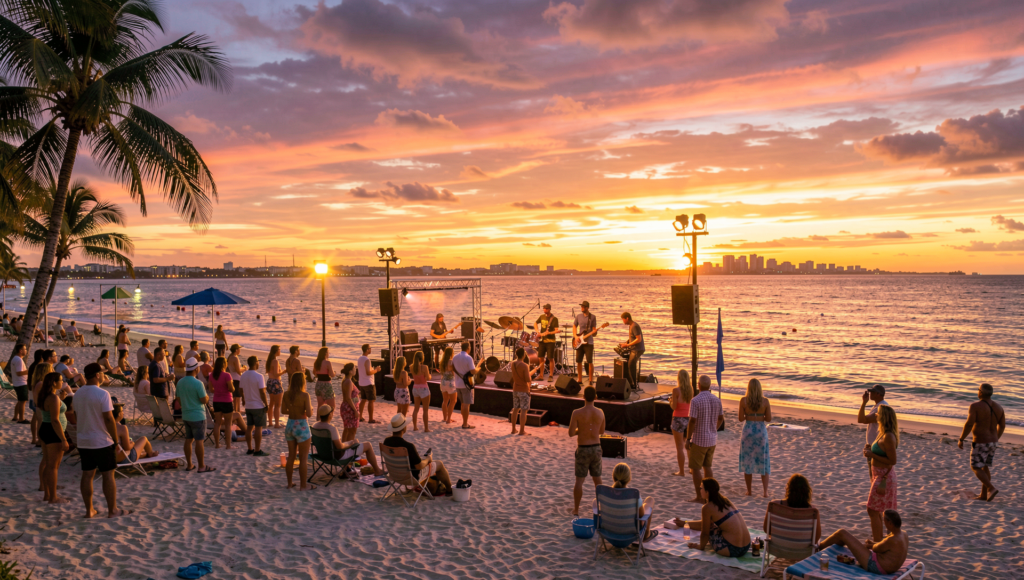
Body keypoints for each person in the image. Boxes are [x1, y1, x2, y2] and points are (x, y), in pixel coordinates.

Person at [76, 363, 130, 518]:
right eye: (103, 373)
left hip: (83, 439)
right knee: (108, 475)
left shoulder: (78, 394)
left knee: (87, 475)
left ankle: (89, 510)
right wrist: (115, 440)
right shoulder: (102, 394)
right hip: (101, 440)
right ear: (97, 375)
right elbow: (108, 418)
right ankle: (112, 510)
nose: (105, 375)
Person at [819, 509, 909, 575]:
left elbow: (876, 548)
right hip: (886, 566)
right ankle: (826, 550)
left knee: (841, 533)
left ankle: (819, 547)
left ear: (890, 523)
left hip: (876, 566)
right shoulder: (903, 535)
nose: (883, 523)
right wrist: (871, 543)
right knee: (845, 539)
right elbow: (885, 547)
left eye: (884, 520)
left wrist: (869, 544)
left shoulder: (892, 539)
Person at [384, 413, 454, 495]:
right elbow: (419, 466)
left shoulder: (386, 442)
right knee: (439, 464)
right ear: (403, 428)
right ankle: (449, 490)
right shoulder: (408, 446)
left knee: (420, 460)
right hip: (411, 477)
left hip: (394, 475)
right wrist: (428, 459)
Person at [958, 383, 1005, 502]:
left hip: (980, 441)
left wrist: (961, 439)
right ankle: (984, 495)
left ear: (981, 393)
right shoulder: (999, 407)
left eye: (978, 390)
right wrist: (996, 438)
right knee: (984, 467)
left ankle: (991, 488)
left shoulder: (975, 406)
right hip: (993, 442)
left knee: (975, 467)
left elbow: (969, 423)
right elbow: (1002, 425)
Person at [686, 478, 751, 557]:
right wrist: (684, 523)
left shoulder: (707, 507)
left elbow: (705, 533)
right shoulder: (725, 500)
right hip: (746, 547)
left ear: (707, 491)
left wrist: (701, 546)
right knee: (715, 526)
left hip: (732, 549)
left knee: (710, 528)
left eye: (701, 488)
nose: (699, 490)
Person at [311, 405, 383, 476]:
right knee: (368, 445)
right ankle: (377, 471)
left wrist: (348, 443)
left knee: (348, 444)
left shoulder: (314, 426)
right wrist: (351, 443)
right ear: (330, 414)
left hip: (323, 455)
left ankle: (346, 469)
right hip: (336, 457)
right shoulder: (331, 428)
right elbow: (340, 447)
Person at [686, 375, 724, 502]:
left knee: (696, 468)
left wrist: (688, 438)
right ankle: (710, 495)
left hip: (699, 439)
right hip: (712, 439)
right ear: (710, 385)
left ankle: (699, 496)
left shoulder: (695, 401)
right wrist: (714, 428)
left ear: (698, 385)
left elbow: (692, 421)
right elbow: (721, 418)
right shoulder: (717, 400)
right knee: (707, 466)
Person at [865, 405, 899, 542]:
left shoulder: (889, 436)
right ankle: (878, 541)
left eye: (878, 414)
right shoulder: (882, 433)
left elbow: (893, 460)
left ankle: (878, 543)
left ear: (883, 416)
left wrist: (872, 454)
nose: (876, 416)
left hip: (884, 477)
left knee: (873, 510)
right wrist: (870, 451)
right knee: (876, 510)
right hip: (878, 475)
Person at [569, 386, 605, 516]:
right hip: (596, 448)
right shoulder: (600, 412)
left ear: (583, 397)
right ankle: (600, 508)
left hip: (583, 448)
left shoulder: (576, 413)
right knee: (598, 480)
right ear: (595, 397)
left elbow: (571, 433)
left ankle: (576, 509)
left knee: (579, 481)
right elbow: (601, 431)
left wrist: (581, 429)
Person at [176, 357, 214, 472]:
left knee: (188, 439)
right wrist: (207, 397)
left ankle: (190, 464)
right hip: (197, 415)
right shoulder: (198, 383)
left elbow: (178, 399)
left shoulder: (180, 382)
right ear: (195, 369)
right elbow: (203, 400)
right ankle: (201, 466)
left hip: (186, 415)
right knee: (199, 441)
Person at [37, 372, 70, 504]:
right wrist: (64, 439)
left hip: (45, 429)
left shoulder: (44, 395)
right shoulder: (53, 398)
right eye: (61, 380)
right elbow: (55, 420)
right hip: (53, 432)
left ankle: (47, 494)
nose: (62, 382)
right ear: (54, 383)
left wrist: (60, 398)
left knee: (47, 463)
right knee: (53, 466)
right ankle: (53, 497)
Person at [602, 463, 657, 540]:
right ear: (629, 478)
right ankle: (646, 533)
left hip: (609, 531)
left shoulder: (605, 493)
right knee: (650, 500)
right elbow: (641, 515)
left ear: (613, 477)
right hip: (630, 533)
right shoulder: (633, 495)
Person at [763, 474, 822, 542]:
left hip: (777, 547)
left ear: (788, 489)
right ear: (807, 491)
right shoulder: (812, 510)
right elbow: (816, 538)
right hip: (804, 550)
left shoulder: (774, 505)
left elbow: (766, 529)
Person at [739, 378, 772, 497]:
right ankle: (765, 492)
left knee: (748, 461)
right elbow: (768, 419)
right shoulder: (765, 402)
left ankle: (749, 491)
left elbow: (740, 418)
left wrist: (748, 414)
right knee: (764, 460)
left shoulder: (743, 401)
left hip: (748, 430)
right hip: (760, 431)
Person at [283, 371, 315, 491]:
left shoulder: (286, 394)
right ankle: (303, 486)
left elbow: (283, 410)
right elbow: (310, 414)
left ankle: (290, 483)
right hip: (301, 426)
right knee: (303, 458)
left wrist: (293, 410)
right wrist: (308, 409)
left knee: (291, 457)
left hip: (290, 425)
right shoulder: (305, 395)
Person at [858, 385, 889, 480]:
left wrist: (863, 403)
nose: (870, 393)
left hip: (876, 447)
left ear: (878, 394)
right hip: (875, 445)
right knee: (875, 476)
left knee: (875, 477)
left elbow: (862, 419)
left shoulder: (881, 408)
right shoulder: (879, 405)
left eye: (872, 392)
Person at [240, 355, 269, 456]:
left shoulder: (243, 375)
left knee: (249, 427)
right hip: (258, 406)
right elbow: (262, 392)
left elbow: (241, 389)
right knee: (258, 428)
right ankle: (257, 450)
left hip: (248, 405)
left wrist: (244, 399)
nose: (259, 363)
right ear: (255, 363)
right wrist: (266, 404)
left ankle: (250, 449)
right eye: (258, 361)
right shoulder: (259, 376)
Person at [209, 356, 237, 449]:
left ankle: (217, 444)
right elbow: (231, 388)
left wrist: (218, 390)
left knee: (217, 423)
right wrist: (232, 386)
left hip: (216, 400)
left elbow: (211, 389)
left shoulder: (212, 375)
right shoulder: (227, 375)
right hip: (227, 401)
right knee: (228, 424)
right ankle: (228, 445)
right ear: (224, 364)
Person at [671, 369, 694, 476]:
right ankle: (692, 469)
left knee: (679, 447)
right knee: (688, 444)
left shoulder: (676, 391)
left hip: (678, 419)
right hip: (689, 418)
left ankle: (681, 471)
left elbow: (674, 407)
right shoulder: (691, 390)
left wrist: (671, 401)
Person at [573, 300, 601, 386]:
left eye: (583, 306)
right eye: (581, 306)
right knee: (578, 361)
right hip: (580, 342)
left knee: (590, 361)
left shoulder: (592, 317)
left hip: (589, 342)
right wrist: (575, 336)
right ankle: (579, 379)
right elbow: (574, 326)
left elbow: (594, 332)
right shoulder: (578, 316)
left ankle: (590, 380)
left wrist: (595, 331)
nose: (581, 307)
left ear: (587, 308)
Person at [451, 341, 477, 429]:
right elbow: (473, 371)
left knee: (462, 404)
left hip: (457, 383)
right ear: (468, 348)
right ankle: (465, 424)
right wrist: (478, 370)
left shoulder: (455, 357)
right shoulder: (468, 358)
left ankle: (464, 422)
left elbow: (452, 368)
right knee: (466, 404)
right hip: (466, 384)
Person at [618, 312, 645, 392]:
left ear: (627, 318)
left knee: (631, 365)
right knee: (630, 365)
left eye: (623, 319)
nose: (623, 321)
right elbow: (632, 338)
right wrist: (626, 343)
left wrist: (627, 345)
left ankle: (634, 385)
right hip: (633, 349)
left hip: (637, 349)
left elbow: (638, 339)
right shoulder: (631, 326)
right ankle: (632, 384)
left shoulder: (635, 326)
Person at [534, 304, 559, 381]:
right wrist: (537, 331)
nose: (545, 310)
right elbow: (535, 323)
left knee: (550, 358)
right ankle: (541, 375)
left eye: (546, 309)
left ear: (549, 309)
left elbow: (556, 330)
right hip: (542, 340)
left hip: (551, 341)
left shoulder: (554, 319)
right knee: (540, 357)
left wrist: (549, 333)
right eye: (544, 308)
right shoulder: (541, 317)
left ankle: (550, 375)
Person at [510, 347, 532, 436]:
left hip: (515, 389)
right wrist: (530, 374)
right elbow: (527, 379)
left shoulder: (512, 364)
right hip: (523, 389)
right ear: (523, 355)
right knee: (523, 410)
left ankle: (513, 429)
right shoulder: (524, 365)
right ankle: (522, 430)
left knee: (515, 409)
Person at [356, 344, 380, 423]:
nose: (371, 349)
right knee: (371, 400)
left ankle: (360, 417)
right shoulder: (367, 360)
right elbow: (368, 372)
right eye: (370, 348)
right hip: (368, 382)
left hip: (362, 382)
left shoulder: (360, 359)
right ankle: (371, 419)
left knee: (363, 400)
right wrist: (376, 370)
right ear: (367, 350)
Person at [337, 363, 360, 442]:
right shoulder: (348, 382)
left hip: (348, 407)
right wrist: (355, 410)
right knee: (352, 431)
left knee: (347, 429)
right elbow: (348, 398)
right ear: (350, 371)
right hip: (349, 408)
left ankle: (344, 447)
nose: (355, 370)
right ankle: (348, 448)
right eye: (354, 368)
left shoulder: (347, 380)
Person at [9, 343, 30, 424]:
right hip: (21, 383)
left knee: (20, 401)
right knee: (23, 401)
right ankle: (21, 419)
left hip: (17, 383)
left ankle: (15, 417)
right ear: (20, 351)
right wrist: (29, 371)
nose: (26, 351)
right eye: (25, 349)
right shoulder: (18, 360)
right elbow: (19, 373)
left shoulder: (15, 358)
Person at [410, 351, 431, 432]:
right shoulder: (424, 367)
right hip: (423, 388)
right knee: (425, 410)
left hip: (415, 388)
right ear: (422, 358)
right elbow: (428, 378)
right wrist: (429, 375)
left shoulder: (412, 367)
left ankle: (415, 427)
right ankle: (426, 428)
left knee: (416, 408)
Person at [312, 347, 336, 413]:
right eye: (328, 352)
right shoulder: (327, 362)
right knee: (332, 406)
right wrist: (335, 373)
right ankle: (327, 420)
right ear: (325, 353)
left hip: (318, 384)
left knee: (320, 405)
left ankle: (318, 421)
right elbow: (331, 374)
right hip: (326, 385)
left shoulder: (316, 362)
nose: (329, 354)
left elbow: (314, 373)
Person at [265, 345, 284, 428]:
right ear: (276, 351)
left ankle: (270, 422)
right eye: (279, 350)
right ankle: (276, 423)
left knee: (271, 403)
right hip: (275, 383)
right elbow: (276, 374)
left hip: (270, 382)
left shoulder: (269, 360)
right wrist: (285, 371)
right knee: (277, 404)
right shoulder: (275, 361)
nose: (280, 351)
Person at [438, 347, 457, 424]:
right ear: (451, 353)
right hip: (450, 383)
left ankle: (445, 418)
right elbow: (453, 372)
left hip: (443, 382)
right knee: (453, 401)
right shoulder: (451, 362)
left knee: (445, 400)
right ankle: (449, 419)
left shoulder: (442, 362)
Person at [227, 344, 243, 412]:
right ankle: (237, 410)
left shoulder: (230, 357)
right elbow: (238, 371)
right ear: (236, 350)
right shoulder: (235, 358)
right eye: (239, 349)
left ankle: (237, 409)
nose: (240, 350)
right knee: (237, 396)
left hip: (232, 377)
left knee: (236, 395)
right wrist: (244, 368)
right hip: (236, 378)